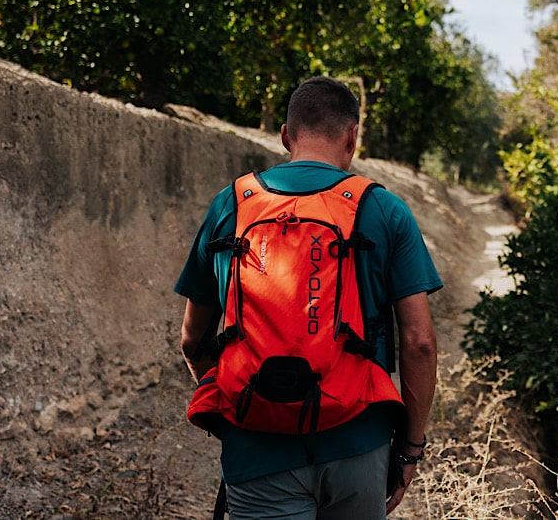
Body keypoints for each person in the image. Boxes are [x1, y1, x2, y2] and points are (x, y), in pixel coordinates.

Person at [175, 76, 441, 518]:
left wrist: (241, 403)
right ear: (352, 137)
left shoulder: (230, 205)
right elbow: (420, 343)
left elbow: (191, 339)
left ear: (285, 136)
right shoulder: (385, 210)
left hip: (256, 448)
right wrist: (410, 449)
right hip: (358, 441)